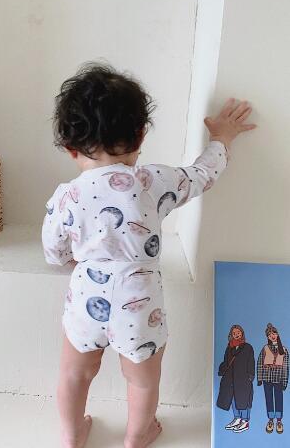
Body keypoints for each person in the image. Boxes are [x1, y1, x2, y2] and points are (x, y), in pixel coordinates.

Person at [41, 61, 256, 448]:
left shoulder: (66, 197)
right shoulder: (154, 181)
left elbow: (53, 252)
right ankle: (137, 436)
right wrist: (221, 138)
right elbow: (202, 174)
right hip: (139, 301)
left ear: (71, 149)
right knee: (142, 378)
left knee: (74, 373)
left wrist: (75, 261)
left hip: (86, 296)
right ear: (140, 135)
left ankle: (71, 436)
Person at [216, 325, 255, 433]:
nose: (236, 334)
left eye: (238, 332)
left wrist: (250, 376)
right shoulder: (229, 347)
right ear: (231, 335)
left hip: (243, 378)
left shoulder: (248, 347)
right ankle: (237, 419)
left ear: (242, 333)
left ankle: (245, 421)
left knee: (244, 399)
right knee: (233, 397)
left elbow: (251, 362)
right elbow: (226, 361)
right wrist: (221, 371)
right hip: (231, 378)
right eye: (234, 333)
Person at [257, 323, 289, 434]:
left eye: (274, 333)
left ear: (277, 334)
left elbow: (286, 367)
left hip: (279, 378)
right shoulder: (265, 348)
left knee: (279, 399)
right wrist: (260, 378)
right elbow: (260, 363)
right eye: (270, 335)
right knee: (269, 398)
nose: (272, 336)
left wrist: (285, 382)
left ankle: (279, 420)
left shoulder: (284, 349)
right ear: (268, 337)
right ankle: (270, 420)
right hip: (267, 378)